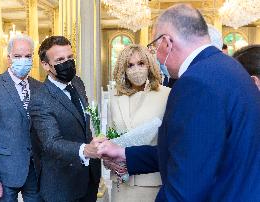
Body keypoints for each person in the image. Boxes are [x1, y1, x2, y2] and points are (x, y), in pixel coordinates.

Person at [98, 4, 260, 202]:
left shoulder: (195, 83)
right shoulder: (228, 67)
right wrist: (123, 152)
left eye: (155, 47)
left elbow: (186, 184)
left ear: (166, 42)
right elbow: (191, 150)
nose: (155, 56)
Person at [30, 36, 103, 202]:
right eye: (60, 60)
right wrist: (85, 150)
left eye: (70, 57)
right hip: (62, 186)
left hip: (88, 178)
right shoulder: (40, 99)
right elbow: (51, 143)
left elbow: (82, 123)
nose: (68, 63)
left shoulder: (77, 83)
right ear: (46, 65)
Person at [0, 35, 41, 201]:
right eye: (17, 56)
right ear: (8, 58)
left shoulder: (39, 87)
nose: (23, 60)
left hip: (35, 172)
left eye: (28, 56)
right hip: (4, 173)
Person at [108, 44, 171, 202]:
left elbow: (172, 142)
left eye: (141, 63)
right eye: (130, 65)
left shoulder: (166, 95)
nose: (136, 69)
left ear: (149, 64)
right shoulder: (115, 98)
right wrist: (108, 160)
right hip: (121, 183)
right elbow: (109, 137)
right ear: (123, 69)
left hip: (152, 182)